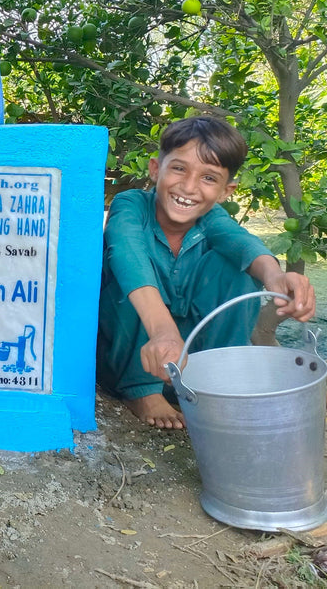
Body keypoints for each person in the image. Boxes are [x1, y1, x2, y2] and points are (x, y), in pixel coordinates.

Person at [96, 116, 316, 429]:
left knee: (234, 270)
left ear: (227, 191)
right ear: (156, 169)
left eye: (208, 178)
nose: (189, 187)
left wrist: (275, 276)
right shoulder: (130, 205)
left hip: (183, 358)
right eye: (179, 168)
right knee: (128, 275)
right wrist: (162, 330)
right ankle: (140, 391)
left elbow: (242, 243)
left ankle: (213, 383)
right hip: (129, 355)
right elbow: (127, 253)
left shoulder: (211, 218)